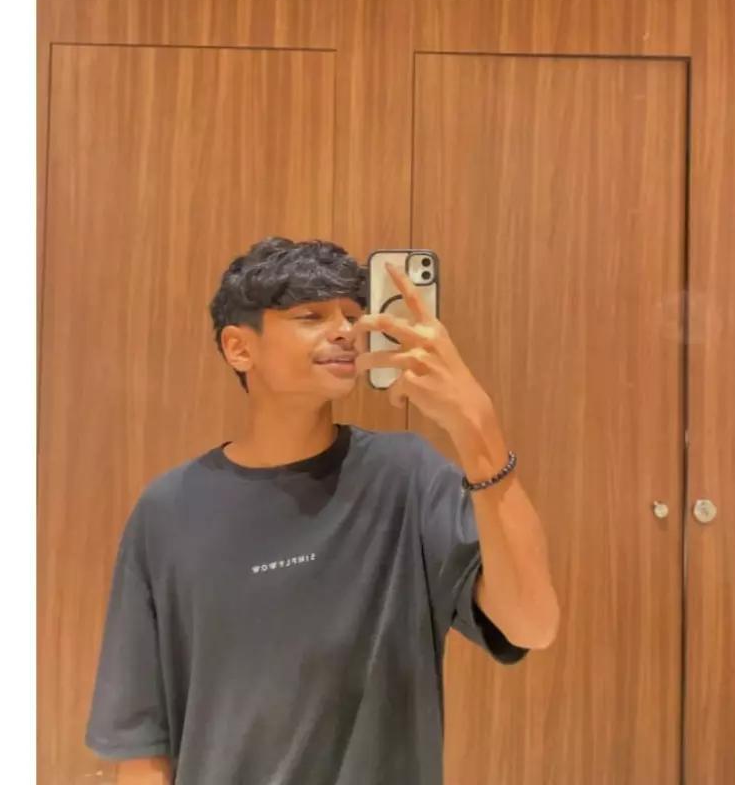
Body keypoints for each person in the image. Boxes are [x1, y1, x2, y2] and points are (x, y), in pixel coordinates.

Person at [85, 236, 559, 784]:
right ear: (239, 348)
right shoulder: (168, 511)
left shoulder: (405, 477)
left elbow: (531, 624)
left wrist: (478, 430)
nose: (345, 332)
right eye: (310, 316)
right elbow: (142, 743)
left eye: (353, 316)